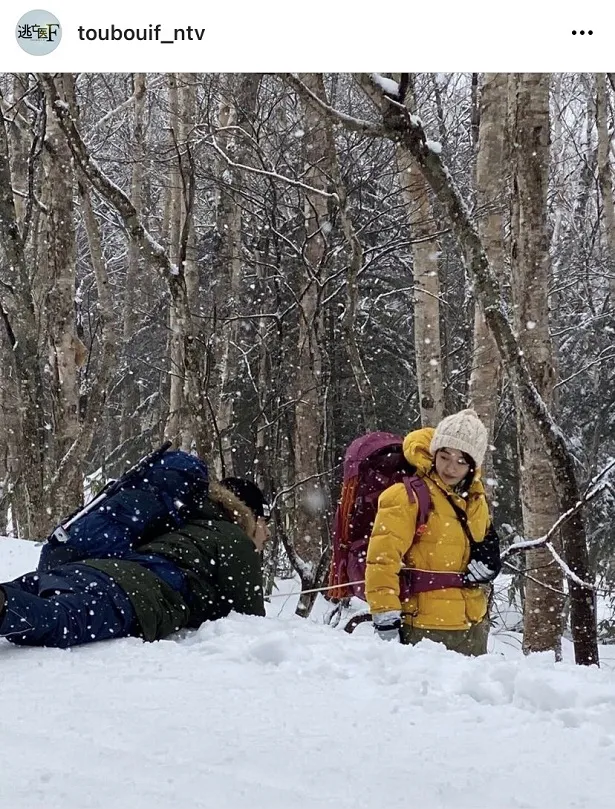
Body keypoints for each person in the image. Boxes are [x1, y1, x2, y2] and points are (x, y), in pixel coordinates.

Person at [0, 478, 270, 648]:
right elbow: (250, 620)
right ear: (250, 516)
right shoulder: (234, 538)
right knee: (64, 621)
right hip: (134, 593)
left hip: (93, 567)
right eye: (265, 524)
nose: (267, 534)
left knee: (23, 590)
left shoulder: (177, 522)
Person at [365, 409, 500, 656]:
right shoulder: (407, 496)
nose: (451, 467)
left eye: (462, 461)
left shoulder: (474, 498)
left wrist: (491, 559)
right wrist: (385, 615)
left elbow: (479, 541)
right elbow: (382, 560)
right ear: (434, 452)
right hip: (423, 629)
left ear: (473, 465)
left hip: (472, 627)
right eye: (445, 456)